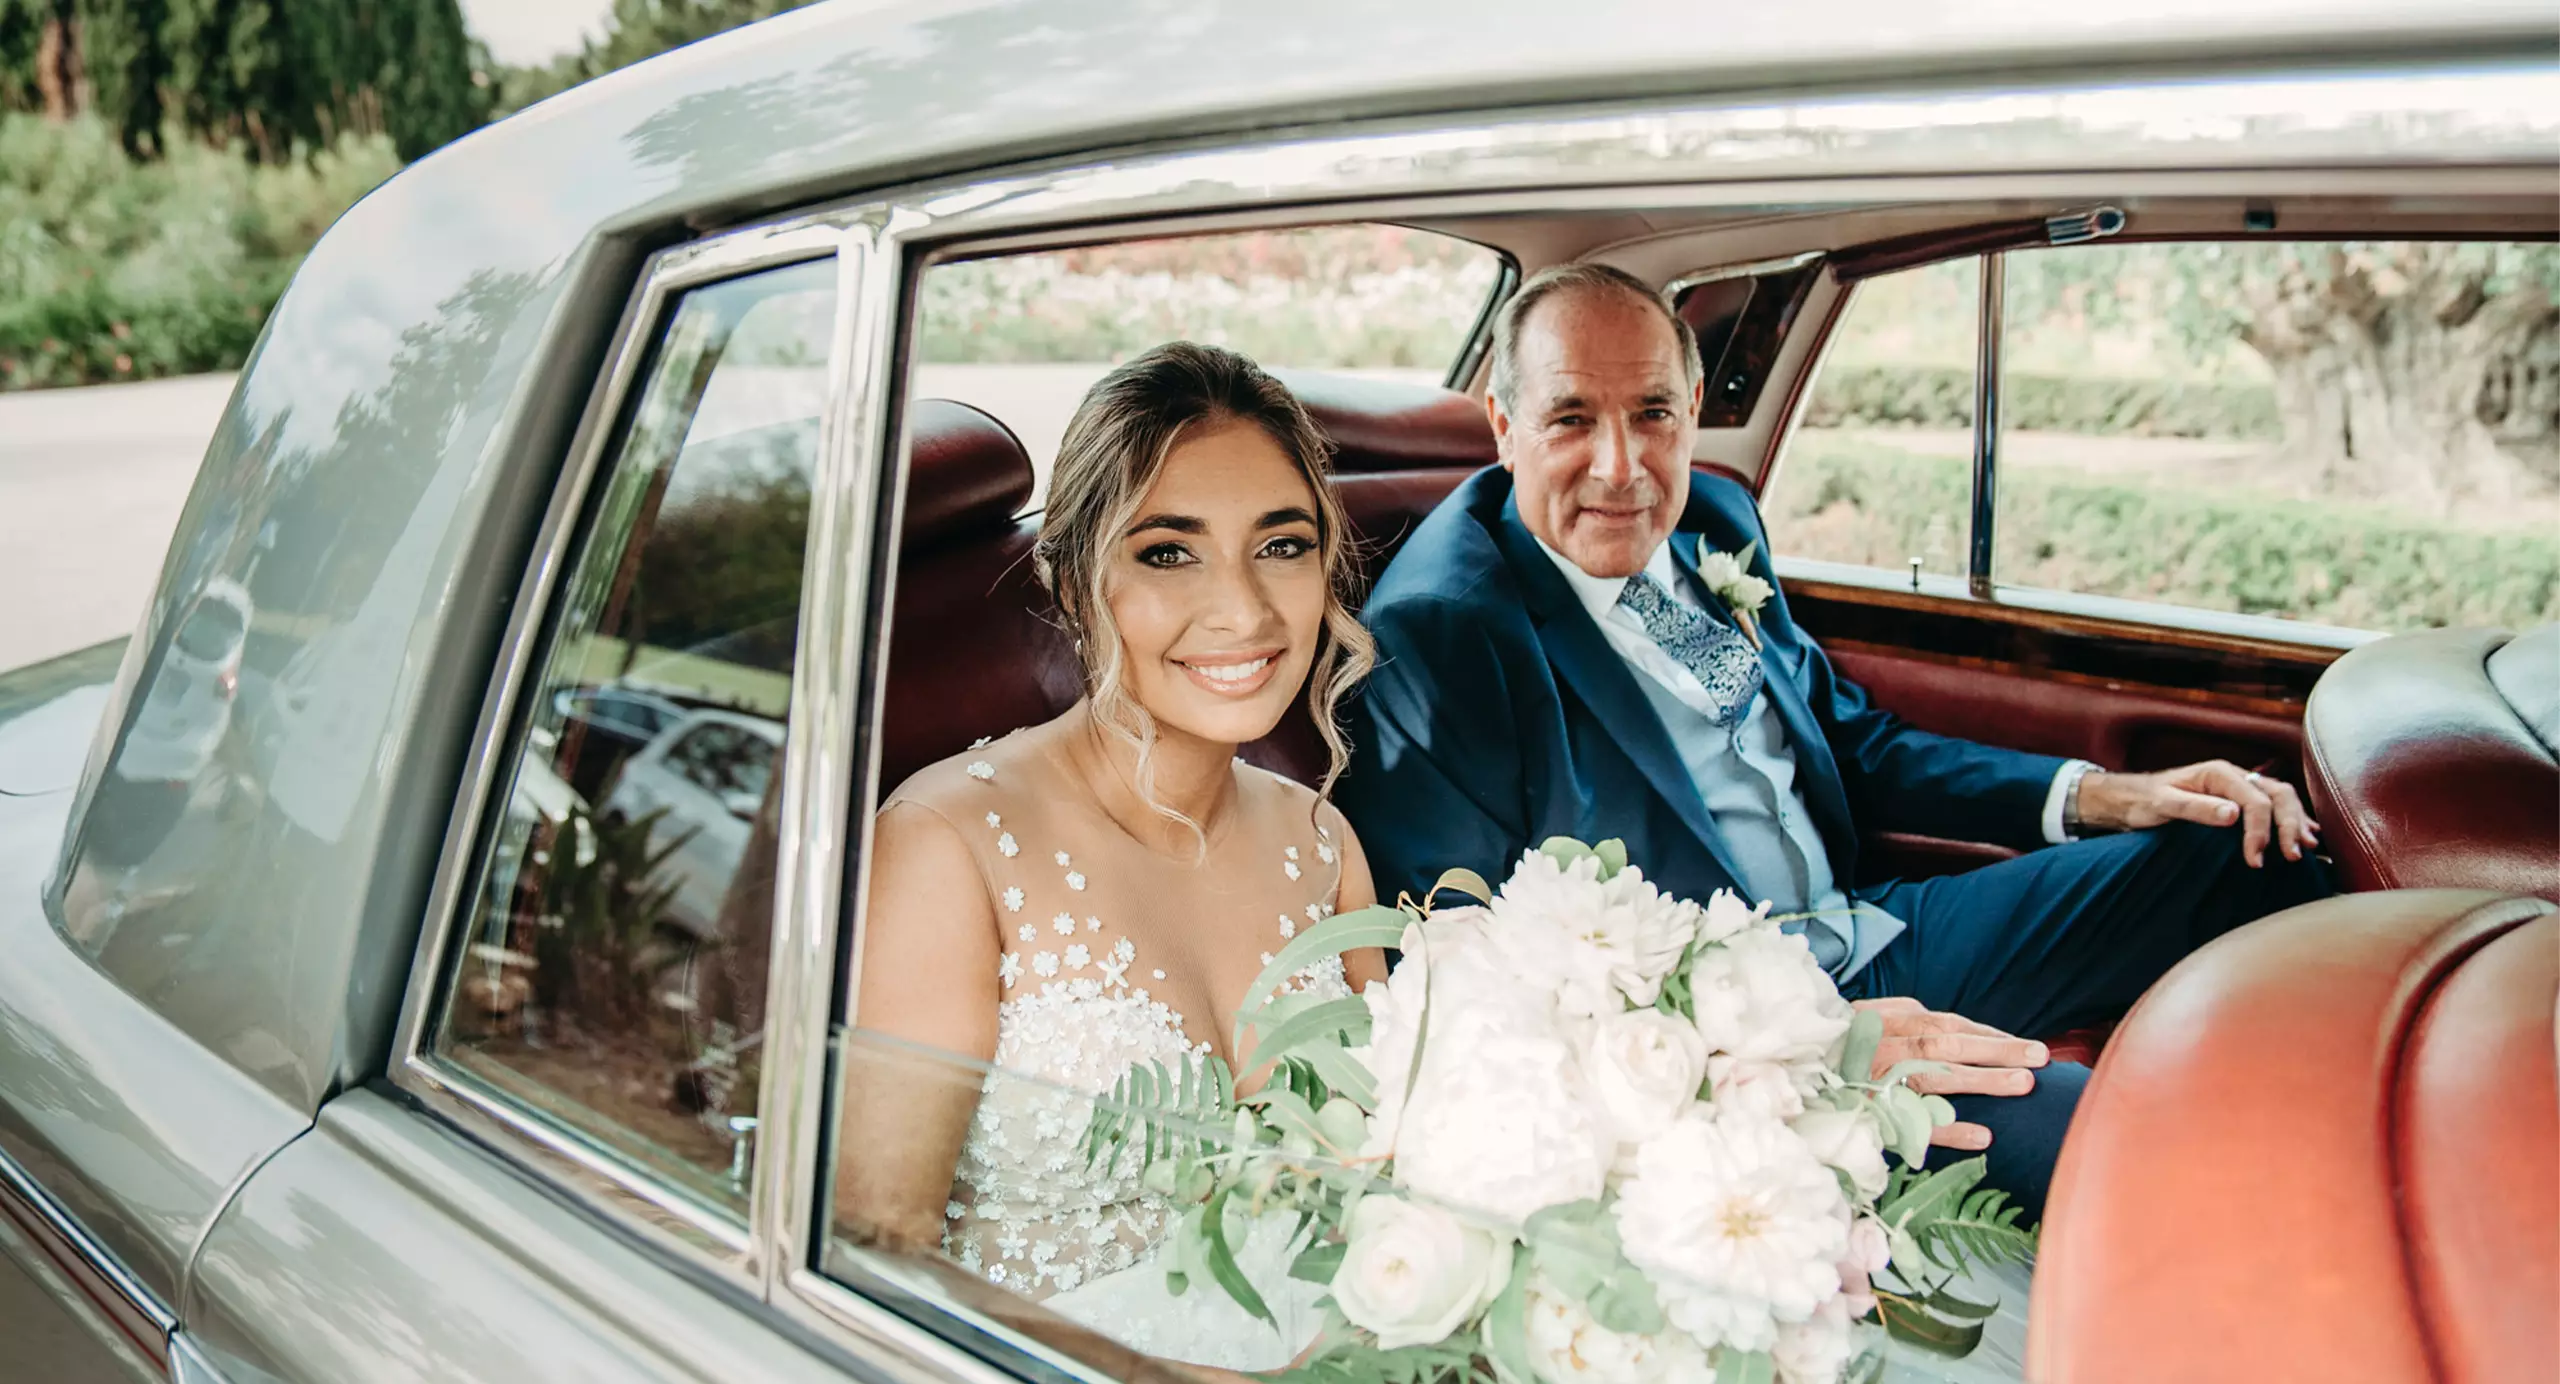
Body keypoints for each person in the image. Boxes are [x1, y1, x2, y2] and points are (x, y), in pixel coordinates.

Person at [1342, 263, 2334, 1219]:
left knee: (2243, 846)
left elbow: (1851, 743)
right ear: (1505, 426)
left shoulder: (1712, 521)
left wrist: (2103, 794)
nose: (1621, 466)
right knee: (2121, 1138)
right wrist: (1805, 1045)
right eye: (1571, 419)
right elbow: (1466, 976)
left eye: (1651, 413)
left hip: (1866, 925)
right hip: (1741, 1041)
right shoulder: (1444, 636)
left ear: (1692, 407)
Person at [834, 342, 1387, 1373]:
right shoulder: (949, 847)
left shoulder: (1323, 844)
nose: (1245, 611)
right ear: (1072, 579)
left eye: (1282, 545)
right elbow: (876, 1254)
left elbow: (1391, 1182)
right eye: (1169, 551)